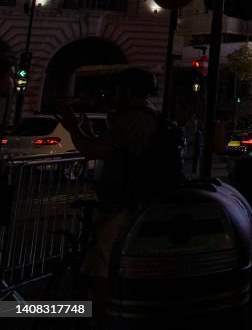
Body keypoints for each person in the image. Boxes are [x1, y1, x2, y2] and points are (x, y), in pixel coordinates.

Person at [55, 68, 161, 322]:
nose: (111, 95)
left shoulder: (134, 119)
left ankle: (101, 318)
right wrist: (87, 130)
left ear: (127, 91)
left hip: (121, 206)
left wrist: (72, 128)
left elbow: (93, 150)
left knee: (102, 267)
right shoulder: (150, 117)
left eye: (116, 90)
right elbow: (109, 149)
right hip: (135, 202)